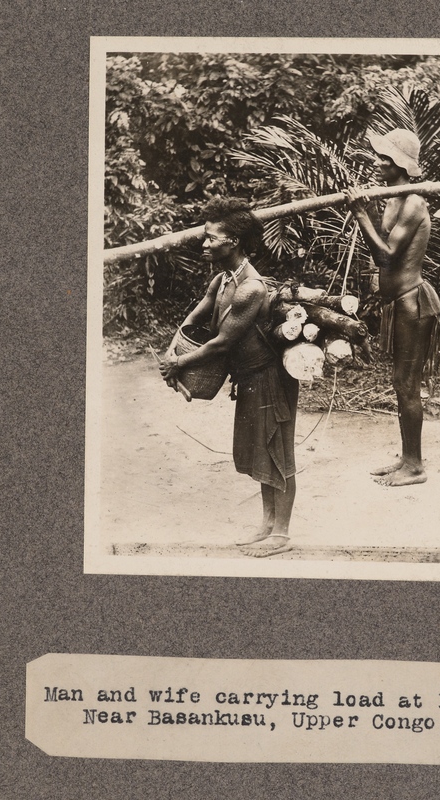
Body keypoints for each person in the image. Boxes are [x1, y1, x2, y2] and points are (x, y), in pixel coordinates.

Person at [159, 198, 298, 557]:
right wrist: (172, 351)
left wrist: (179, 364)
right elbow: (193, 320)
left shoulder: (251, 288)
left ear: (233, 241)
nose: (204, 243)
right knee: (261, 453)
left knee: (278, 450)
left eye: (211, 238)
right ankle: (267, 524)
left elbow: (221, 343)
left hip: (270, 376)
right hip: (249, 377)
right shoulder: (221, 280)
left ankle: (281, 534)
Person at [345, 128, 440, 486]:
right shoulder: (391, 198)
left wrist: (359, 214)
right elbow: (382, 241)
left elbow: (386, 257)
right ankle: (407, 458)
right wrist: (366, 207)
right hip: (398, 304)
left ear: (399, 164)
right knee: (400, 383)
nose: (376, 163)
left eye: (384, 159)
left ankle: (415, 467)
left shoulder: (414, 201)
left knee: (407, 384)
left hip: (414, 303)